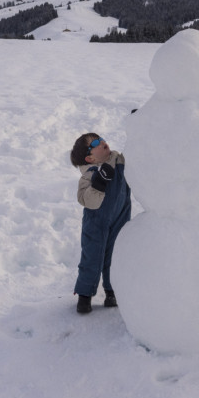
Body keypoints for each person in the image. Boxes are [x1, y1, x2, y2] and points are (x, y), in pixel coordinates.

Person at [69, 133, 132, 314]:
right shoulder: (89, 175)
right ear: (90, 158)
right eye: (95, 143)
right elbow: (87, 200)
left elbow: (137, 155)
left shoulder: (119, 161)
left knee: (116, 255)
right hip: (96, 223)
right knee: (92, 256)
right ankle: (85, 294)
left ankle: (112, 291)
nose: (102, 142)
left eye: (101, 138)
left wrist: (141, 128)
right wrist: (99, 183)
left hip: (120, 217)